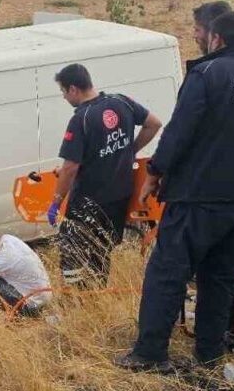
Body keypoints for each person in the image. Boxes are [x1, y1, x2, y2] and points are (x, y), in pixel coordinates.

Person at [115, 12, 234, 373]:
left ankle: (150, 353)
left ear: (217, 39)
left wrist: (156, 172)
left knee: (168, 271)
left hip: (201, 196)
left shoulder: (207, 74)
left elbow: (181, 130)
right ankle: (209, 352)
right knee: (223, 276)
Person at [48, 63, 163, 288]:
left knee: (73, 256)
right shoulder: (121, 102)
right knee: (102, 253)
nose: (63, 97)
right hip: (119, 197)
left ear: (73, 89)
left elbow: (71, 167)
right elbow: (154, 124)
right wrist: (130, 150)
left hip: (89, 202)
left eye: (63, 91)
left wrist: (56, 202)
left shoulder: (81, 118)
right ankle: (98, 294)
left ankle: (78, 301)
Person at [0, 230, 52, 317]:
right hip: (44, 296)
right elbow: (1, 259)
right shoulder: (8, 239)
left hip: (33, 305)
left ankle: (20, 315)